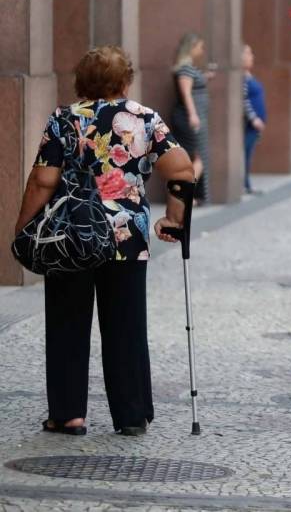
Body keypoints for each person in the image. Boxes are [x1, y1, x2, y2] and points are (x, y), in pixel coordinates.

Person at [13, 46, 194, 436]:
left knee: (66, 321)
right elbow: (181, 170)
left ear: (81, 81)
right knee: (126, 325)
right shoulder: (145, 118)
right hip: (126, 238)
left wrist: (24, 226)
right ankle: (131, 415)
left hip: (70, 237)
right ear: (125, 81)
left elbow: (43, 180)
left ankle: (68, 414)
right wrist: (174, 219)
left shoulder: (64, 118)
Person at [170, 33, 210, 203]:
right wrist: (193, 115)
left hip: (194, 117)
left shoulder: (188, 68)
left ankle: (186, 194)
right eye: (200, 47)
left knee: (195, 157)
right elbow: (186, 93)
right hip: (190, 119)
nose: (202, 51)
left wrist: (204, 78)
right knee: (199, 157)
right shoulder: (185, 69)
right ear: (191, 48)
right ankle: (184, 194)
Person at [242, 44, 267, 195]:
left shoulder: (248, 76)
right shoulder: (243, 79)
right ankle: (244, 184)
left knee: (248, 154)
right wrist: (254, 119)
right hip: (250, 125)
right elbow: (243, 101)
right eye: (248, 53)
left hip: (255, 126)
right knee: (245, 154)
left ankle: (246, 184)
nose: (252, 57)